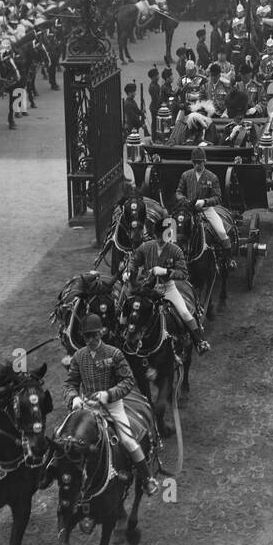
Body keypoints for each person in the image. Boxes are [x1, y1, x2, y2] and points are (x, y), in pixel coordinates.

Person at [64, 314, 159, 496]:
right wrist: (74, 398)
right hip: (87, 408)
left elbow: (128, 381)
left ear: (101, 333)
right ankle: (49, 469)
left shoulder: (114, 354)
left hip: (113, 407)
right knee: (64, 437)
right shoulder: (78, 356)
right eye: (87, 336)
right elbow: (70, 383)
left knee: (128, 441)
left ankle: (147, 479)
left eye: (94, 335)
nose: (91, 340)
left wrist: (108, 394)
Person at [126, 223, 211, 353]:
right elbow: (134, 261)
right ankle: (121, 335)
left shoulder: (176, 250)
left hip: (168, 289)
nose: (161, 240)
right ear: (154, 235)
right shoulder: (145, 247)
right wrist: (129, 272)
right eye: (158, 237)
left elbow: (183, 273)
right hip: (147, 288)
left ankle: (199, 341)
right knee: (129, 307)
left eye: (164, 237)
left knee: (184, 312)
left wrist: (166, 271)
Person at [176, 146, 234, 259]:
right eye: (195, 163)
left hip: (206, 210)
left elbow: (218, 198)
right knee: (174, 229)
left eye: (199, 162)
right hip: (188, 211)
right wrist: (185, 201)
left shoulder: (212, 177)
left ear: (204, 161)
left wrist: (204, 202)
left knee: (221, 232)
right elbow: (178, 192)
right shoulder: (186, 175)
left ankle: (229, 259)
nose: (197, 165)